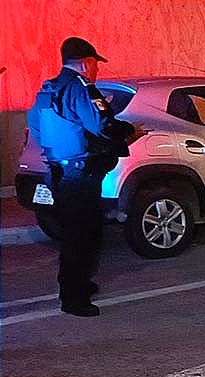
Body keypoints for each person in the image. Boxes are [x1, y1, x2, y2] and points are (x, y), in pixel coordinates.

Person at [27, 37, 140, 317]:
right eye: (95, 65)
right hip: (81, 174)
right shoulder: (81, 89)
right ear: (87, 63)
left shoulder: (48, 88)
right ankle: (74, 298)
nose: (96, 71)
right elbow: (101, 126)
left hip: (59, 170)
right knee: (84, 236)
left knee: (73, 234)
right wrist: (129, 132)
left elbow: (35, 127)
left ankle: (77, 285)